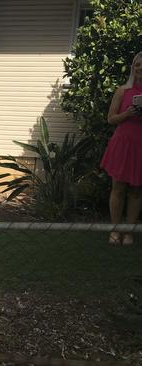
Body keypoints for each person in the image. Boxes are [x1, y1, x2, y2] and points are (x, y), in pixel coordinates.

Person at [100, 51, 142, 245]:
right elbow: (111, 119)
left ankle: (129, 232)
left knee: (136, 191)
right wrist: (127, 114)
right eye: (137, 64)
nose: (140, 68)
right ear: (133, 68)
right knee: (118, 188)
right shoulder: (122, 91)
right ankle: (115, 230)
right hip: (123, 144)